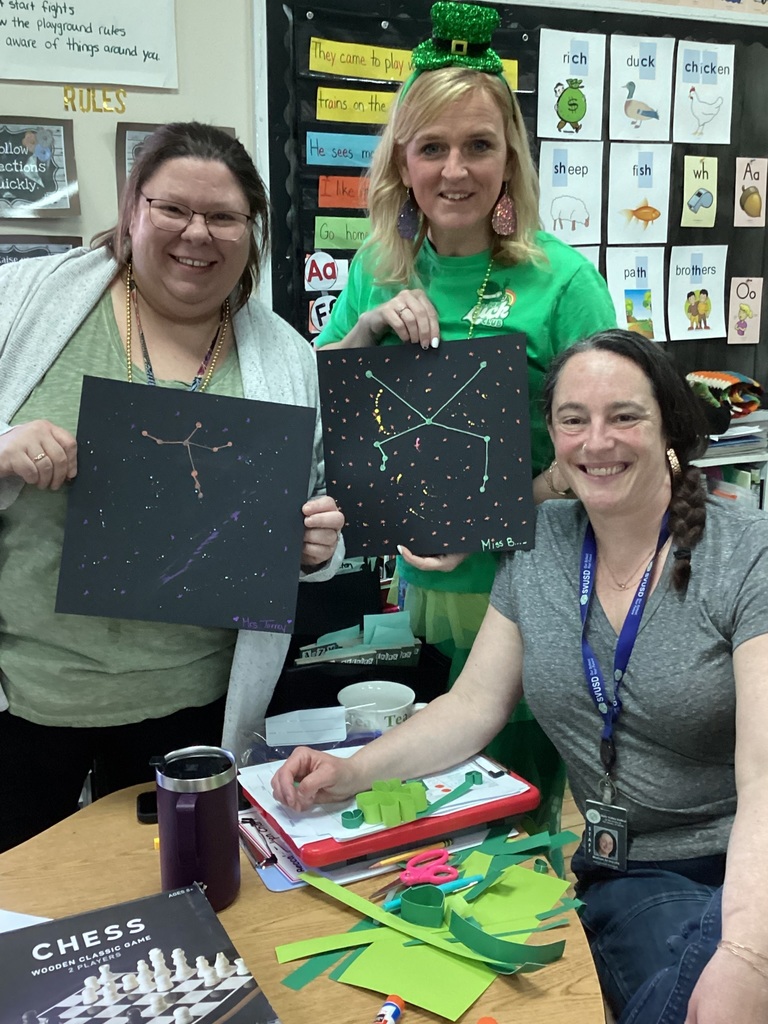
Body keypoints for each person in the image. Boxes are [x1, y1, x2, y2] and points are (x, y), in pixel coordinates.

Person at [273, 329, 768, 1024]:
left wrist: (750, 954)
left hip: (747, 858)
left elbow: (764, 775)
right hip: (638, 873)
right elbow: (473, 705)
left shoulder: (746, 552)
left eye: (625, 416)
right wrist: (352, 772)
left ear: (670, 428)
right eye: (574, 420)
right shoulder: (540, 547)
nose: (597, 442)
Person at [314, 1, 617, 838]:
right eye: (433, 146)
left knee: (516, 808)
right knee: (435, 804)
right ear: (402, 162)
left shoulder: (562, 281)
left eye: (480, 145)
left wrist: (492, 521)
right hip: (423, 587)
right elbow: (323, 407)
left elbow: (623, 446)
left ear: (509, 158)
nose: (456, 169)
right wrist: (364, 333)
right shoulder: (377, 271)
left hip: (537, 580)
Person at [0, 121, 344, 853]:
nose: (198, 233)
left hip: (191, 711)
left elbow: (308, 511)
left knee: (171, 912)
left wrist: (315, 547)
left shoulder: (285, 360)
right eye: (173, 209)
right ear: (133, 210)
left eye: (223, 217)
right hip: (24, 703)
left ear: (251, 233)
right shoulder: (24, 303)